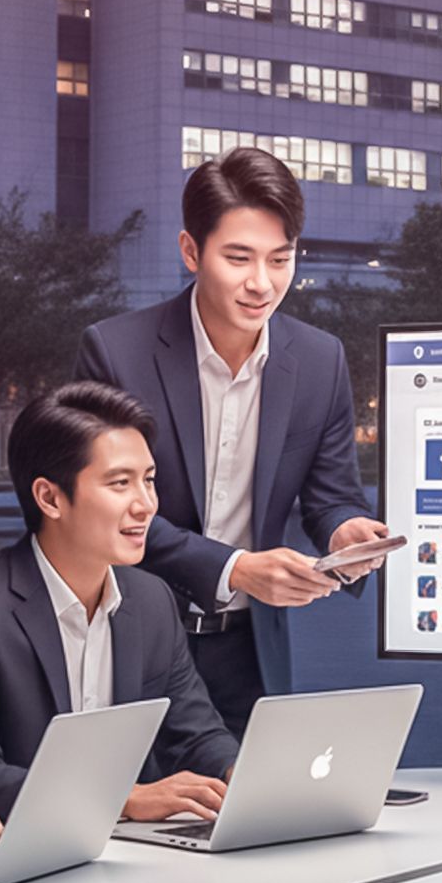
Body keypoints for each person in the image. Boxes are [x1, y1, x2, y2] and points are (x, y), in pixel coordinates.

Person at [74, 146, 386, 735]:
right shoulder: (116, 353)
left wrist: (348, 531)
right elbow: (104, 513)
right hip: (131, 647)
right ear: (191, 251)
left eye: (280, 259)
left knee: (254, 817)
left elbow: (331, 497)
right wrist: (235, 568)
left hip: (252, 654)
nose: (261, 284)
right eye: (238, 258)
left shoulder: (320, 361)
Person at [0, 383, 240, 821]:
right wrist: (123, 800)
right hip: (21, 854)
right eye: (120, 483)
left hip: (132, 854)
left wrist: (241, 773)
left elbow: (195, 735)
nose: (147, 505)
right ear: (50, 498)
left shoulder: (151, 599)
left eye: (149, 480)